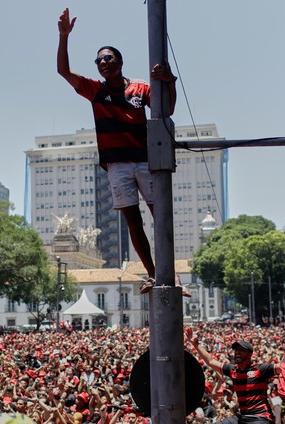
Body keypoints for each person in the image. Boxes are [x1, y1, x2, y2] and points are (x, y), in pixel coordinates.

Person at [56, 8, 188, 296]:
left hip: (145, 161)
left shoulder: (141, 88)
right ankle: (154, 275)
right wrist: (63, 37)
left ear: (119, 62)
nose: (103, 63)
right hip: (116, 166)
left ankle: (171, 276)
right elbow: (64, 72)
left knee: (160, 215)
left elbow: (167, 109)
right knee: (133, 221)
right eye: (99, 60)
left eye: (108, 58)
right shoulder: (95, 91)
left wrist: (170, 82)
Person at [188, 330, 283, 424]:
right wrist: (195, 343)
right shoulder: (233, 371)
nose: (237, 352)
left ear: (250, 354)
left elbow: (280, 368)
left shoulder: (260, 369)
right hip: (243, 420)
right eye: (236, 350)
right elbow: (211, 362)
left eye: (241, 350)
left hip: (260, 421)